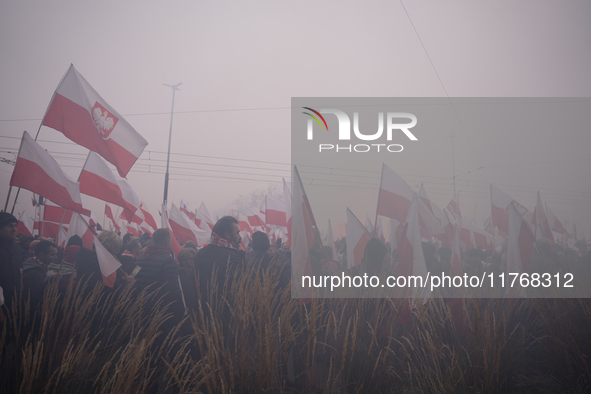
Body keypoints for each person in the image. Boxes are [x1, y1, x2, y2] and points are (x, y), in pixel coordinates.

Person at [134, 228, 184, 317]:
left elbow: (134, 280)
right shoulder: (168, 260)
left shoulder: (140, 258)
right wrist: (180, 310)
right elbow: (173, 289)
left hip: (143, 308)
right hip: (161, 310)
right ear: (168, 241)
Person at [194, 216, 245, 300]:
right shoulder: (232, 258)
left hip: (201, 309)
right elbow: (237, 292)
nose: (240, 237)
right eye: (237, 233)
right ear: (227, 234)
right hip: (226, 310)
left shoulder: (200, 254)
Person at [23, 240, 58, 307]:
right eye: (52, 255)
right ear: (41, 254)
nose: (56, 257)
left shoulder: (39, 265)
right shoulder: (34, 274)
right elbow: (32, 300)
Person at [0, 212, 23, 312]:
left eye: (15, 226)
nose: (14, 229)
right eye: (9, 226)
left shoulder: (17, 250)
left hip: (13, 304)